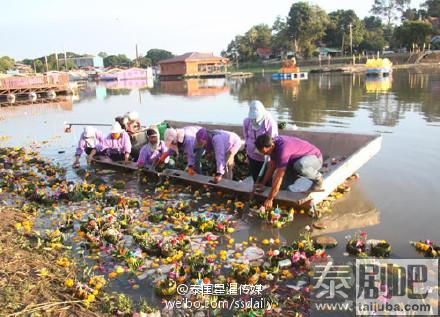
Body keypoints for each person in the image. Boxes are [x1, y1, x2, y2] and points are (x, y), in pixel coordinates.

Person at [254, 134, 323, 210]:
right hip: (294, 161)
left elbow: (279, 176)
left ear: (272, 146)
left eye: (266, 153)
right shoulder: (271, 145)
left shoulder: (283, 149)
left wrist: (270, 198)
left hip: (315, 159)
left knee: (300, 165)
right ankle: (296, 174)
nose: (265, 154)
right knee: (282, 186)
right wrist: (263, 183)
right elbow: (272, 166)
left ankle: (318, 178)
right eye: (263, 153)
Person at [243, 100, 278, 182]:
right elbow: (246, 136)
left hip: (265, 157)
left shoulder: (270, 122)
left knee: (266, 178)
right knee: (255, 177)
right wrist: (247, 152)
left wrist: (268, 155)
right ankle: (256, 188)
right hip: (252, 156)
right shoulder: (247, 121)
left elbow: (273, 140)